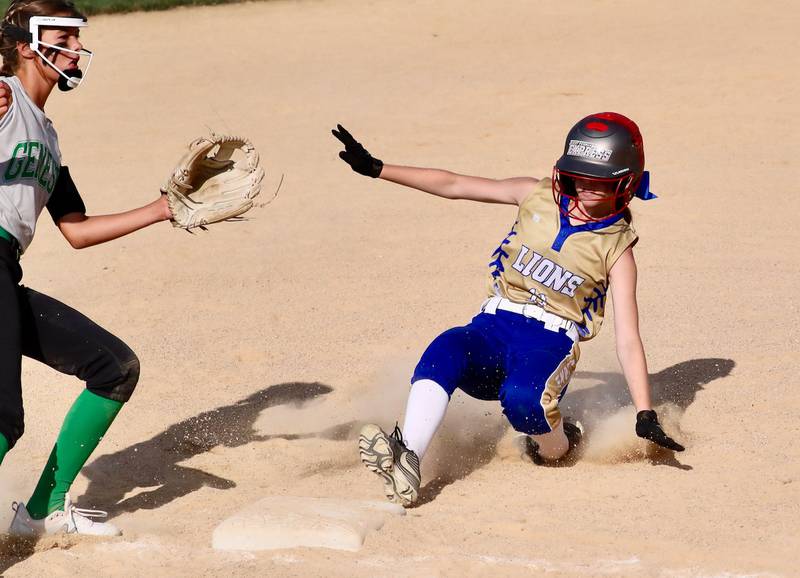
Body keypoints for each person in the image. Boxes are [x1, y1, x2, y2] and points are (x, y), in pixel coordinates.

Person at [332, 113, 684, 507]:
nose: (583, 189)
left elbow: (629, 339)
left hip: (550, 343)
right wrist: (378, 169)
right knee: (445, 348)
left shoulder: (617, 247)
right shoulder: (534, 195)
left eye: (597, 183)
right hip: (493, 327)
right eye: (576, 176)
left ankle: (559, 445)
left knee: (524, 400)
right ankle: (407, 455)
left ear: (625, 184)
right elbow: (454, 184)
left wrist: (645, 412)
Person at [0, 0, 173, 536]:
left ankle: (43, 510)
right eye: (65, 38)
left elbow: (75, 229)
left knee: (113, 367)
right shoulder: (4, 99)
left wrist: (165, 208)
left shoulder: (47, 137)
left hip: (6, 270)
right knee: (4, 417)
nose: (77, 49)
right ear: (28, 46)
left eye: (78, 39)